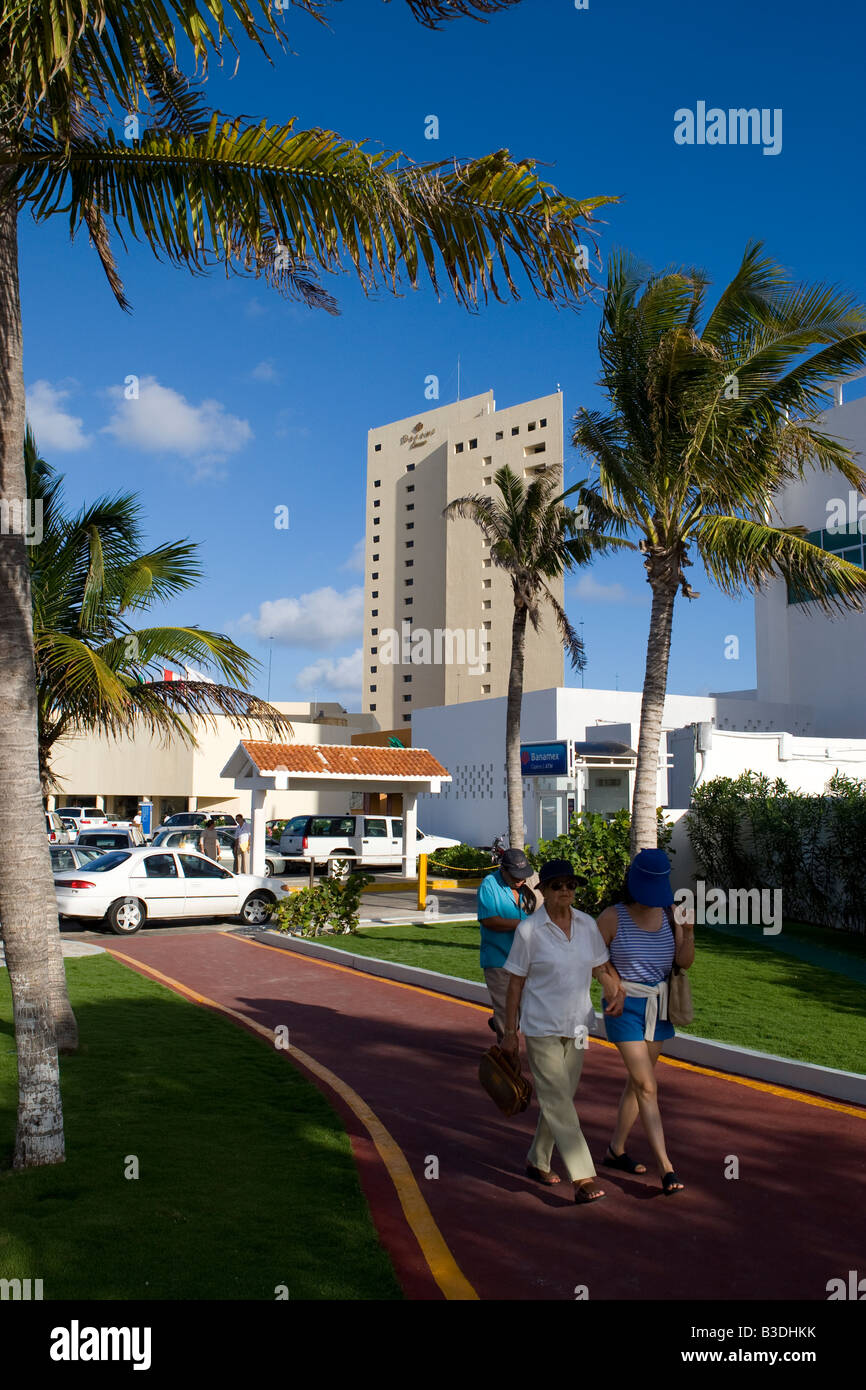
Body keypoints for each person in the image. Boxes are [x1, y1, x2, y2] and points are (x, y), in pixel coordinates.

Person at [502, 859, 625, 1205]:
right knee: (557, 1099)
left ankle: (537, 1159)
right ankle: (583, 1176)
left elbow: (601, 966)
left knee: (561, 1101)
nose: (566, 891)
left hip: (580, 1025)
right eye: (558, 886)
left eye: (571, 885)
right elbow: (515, 985)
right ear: (543, 891)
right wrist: (509, 1031)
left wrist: (615, 989)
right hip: (541, 1028)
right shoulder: (529, 931)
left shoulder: (587, 925)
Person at [596, 848, 695, 1196]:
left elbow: (684, 961)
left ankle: (615, 1150)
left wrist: (688, 930)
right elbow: (593, 957)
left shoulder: (670, 914)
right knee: (648, 1086)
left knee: (637, 1085)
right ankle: (666, 1167)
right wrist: (609, 978)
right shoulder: (612, 917)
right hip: (624, 1010)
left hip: (660, 1006)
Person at [476, 848, 538, 1041]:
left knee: (527, 1009)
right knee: (507, 1016)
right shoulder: (489, 884)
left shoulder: (530, 883)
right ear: (503, 870)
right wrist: (523, 925)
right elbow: (489, 920)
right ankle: (508, 1061)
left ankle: (499, 1020)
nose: (520, 880)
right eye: (515, 876)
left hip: (525, 960)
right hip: (499, 960)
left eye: (523, 876)